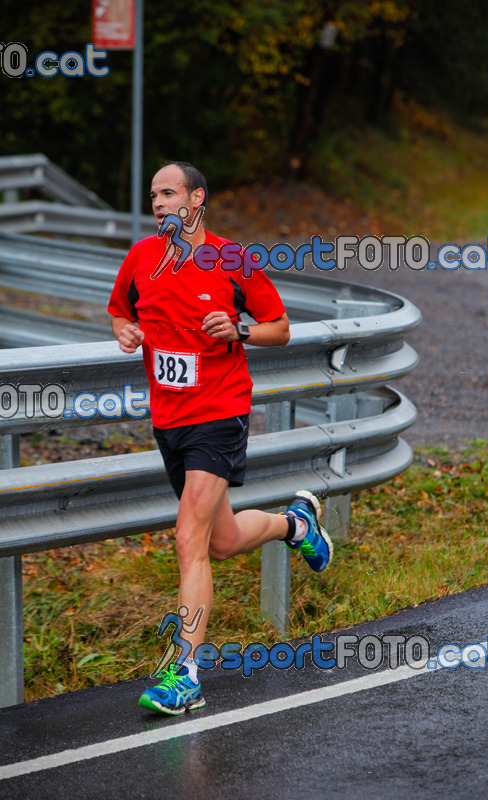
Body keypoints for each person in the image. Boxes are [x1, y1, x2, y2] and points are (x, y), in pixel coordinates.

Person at [108, 160, 333, 716]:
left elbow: (280, 328)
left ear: (197, 198)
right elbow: (118, 313)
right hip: (169, 420)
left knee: (188, 537)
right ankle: (296, 524)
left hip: (221, 411)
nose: (158, 203)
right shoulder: (141, 257)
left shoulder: (232, 259)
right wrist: (127, 332)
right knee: (220, 541)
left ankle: (184, 673)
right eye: (153, 195)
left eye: (168, 193)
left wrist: (240, 328)